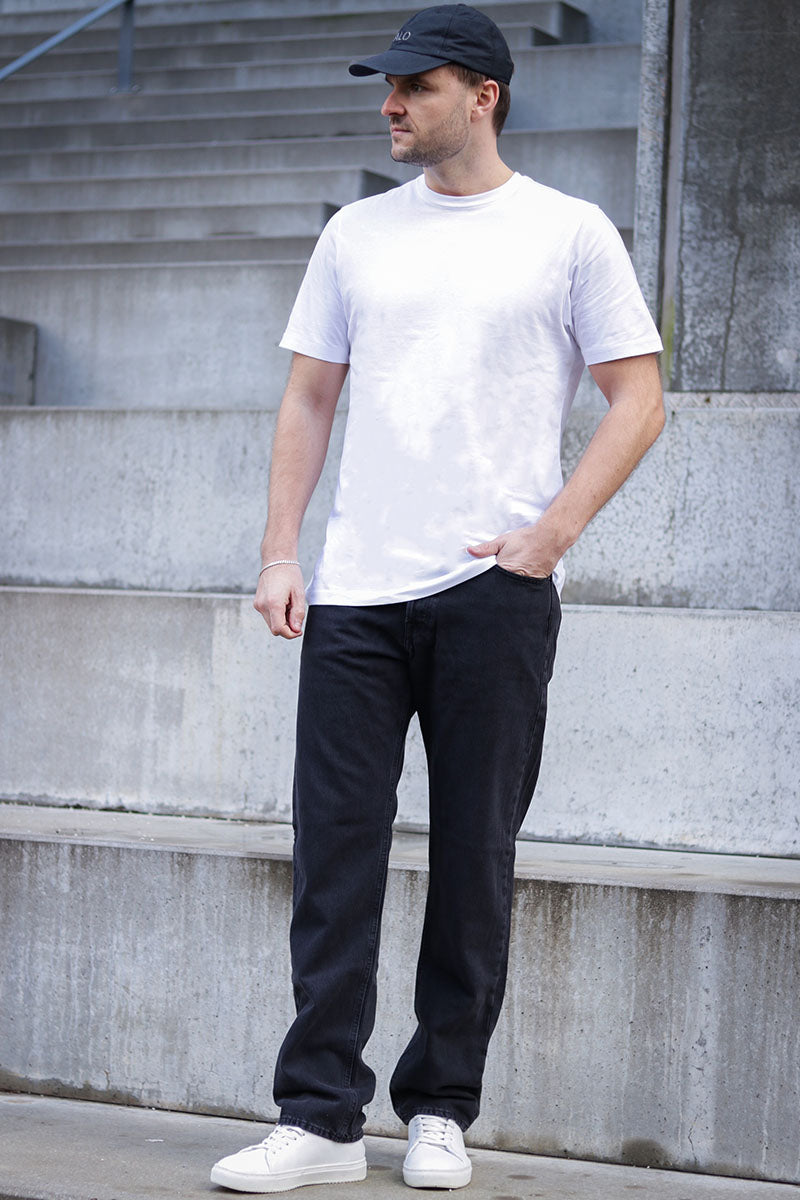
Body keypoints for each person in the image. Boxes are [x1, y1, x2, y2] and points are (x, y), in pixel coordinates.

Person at [210, 3, 664, 1192]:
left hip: (491, 594)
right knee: (334, 860)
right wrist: (279, 552)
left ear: (483, 95)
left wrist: (549, 535)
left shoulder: (566, 233)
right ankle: (318, 1120)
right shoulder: (356, 234)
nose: (390, 104)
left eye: (413, 86)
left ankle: (440, 1110)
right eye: (389, 86)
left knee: (473, 861)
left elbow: (637, 397)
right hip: (355, 597)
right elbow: (308, 397)